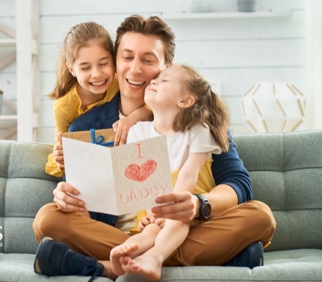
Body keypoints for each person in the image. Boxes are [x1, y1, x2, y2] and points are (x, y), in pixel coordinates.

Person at [33, 15, 276, 281]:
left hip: (181, 228)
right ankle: (219, 257)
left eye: (147, 60)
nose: (135, 69)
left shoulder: (197, 119)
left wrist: (197, 204)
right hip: (118, 235)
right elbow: (81, 198)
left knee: (260, 215)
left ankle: (109, 266)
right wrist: (69, 199)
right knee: (47, 218)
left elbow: (238, 183)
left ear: (166, 67)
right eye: (127, 57)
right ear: (116, 62)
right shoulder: (86, 125)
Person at [109, 64, 229, 281]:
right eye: (156, 79)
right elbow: (143, 182)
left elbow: (189, 174)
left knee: (177, 220)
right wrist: (151, 213)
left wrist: (172, 209)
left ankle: (154, 257)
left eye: (163, 81)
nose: (153, 81)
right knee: (150, 231)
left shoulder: (197, 130)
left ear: (185, 101)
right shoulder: (138, 131)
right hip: (153, 209)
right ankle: (124, 253)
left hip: (188, 207)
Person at [45, 21, 151, 178]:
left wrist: (134, 118)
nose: (97, 74)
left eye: (103, 63)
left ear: (114, 61)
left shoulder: (119, 80)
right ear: (72, 69)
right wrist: (59, 158)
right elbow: (61, 146)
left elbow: (161, 96)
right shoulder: (63, 107)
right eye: (85, 68)